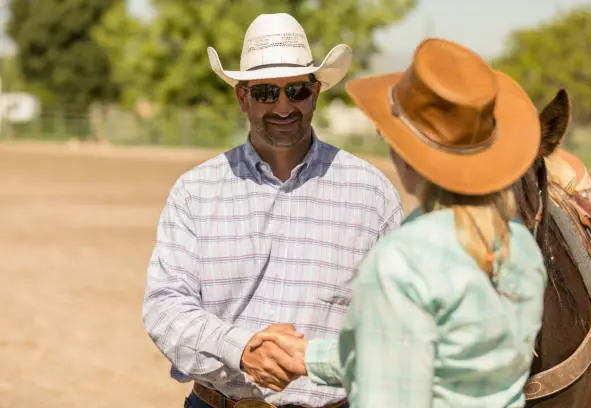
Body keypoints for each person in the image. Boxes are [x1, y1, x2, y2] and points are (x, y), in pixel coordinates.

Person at [248, 38, 548, 407]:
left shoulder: (403, 260)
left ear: (404, 152)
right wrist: (309, 358)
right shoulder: (519, 245)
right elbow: (433, 357)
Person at [141, 12, 404, 408]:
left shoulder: (372, 194)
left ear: (315, 93)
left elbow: (395, 321)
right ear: (242, 98)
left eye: (296, 90)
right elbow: (165, 306)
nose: (283, 106)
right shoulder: (196, 192)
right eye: (266, 92)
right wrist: (241, 349)